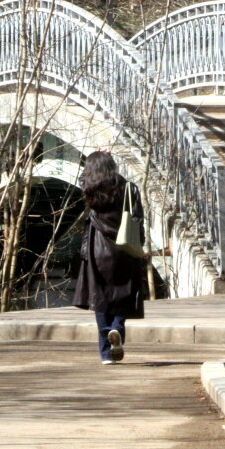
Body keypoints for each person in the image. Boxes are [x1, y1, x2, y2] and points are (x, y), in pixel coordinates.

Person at [73, 150, 146, 363]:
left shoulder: (90, 189)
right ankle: (116, 327)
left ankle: (106, 352)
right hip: (124, 247)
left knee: (100, 296)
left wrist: (94, 158)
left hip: (97, 249)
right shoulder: (127, 188)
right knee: (125, 291)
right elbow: (138, 218)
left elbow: (82, 180)